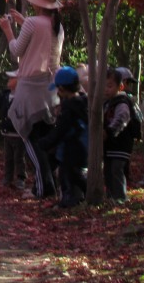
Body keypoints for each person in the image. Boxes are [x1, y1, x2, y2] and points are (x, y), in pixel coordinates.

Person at [0, 0, 64, 199]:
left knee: (31, 139)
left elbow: (17, 50)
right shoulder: (56, 24)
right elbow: (43, 43)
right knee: (45, 137)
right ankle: (48, 183)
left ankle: (43, 187)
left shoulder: (33, 23)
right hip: (51, 87)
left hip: (30, 87)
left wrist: (8, 30)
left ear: (36, 3)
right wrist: (24, 22)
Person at [38, 66, 88, 208]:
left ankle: (69, 202)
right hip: (82, 149)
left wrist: (45, 143)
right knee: (76, 176)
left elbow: (61, 130)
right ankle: (79, 199)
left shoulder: (70, 108)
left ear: (62, 88)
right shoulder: (84, 103)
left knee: (68, 177)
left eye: (58, 90)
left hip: (72, 149)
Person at [103, 67, 135, 203]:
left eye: (110, 86)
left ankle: (120, 197)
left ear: (120, 86)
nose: (106, 89)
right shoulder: (106, 103)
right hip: (109, 145)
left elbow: (122, 118)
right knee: (108, 170)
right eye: (103, 86)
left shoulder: (121, 102)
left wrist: (110, 132)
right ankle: (111, 195)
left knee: (117, 169)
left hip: (121, 144)